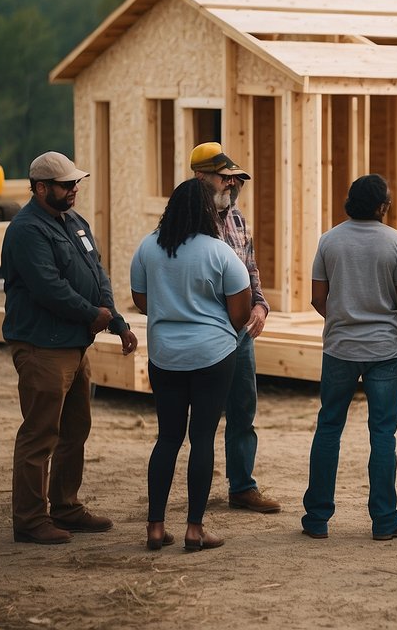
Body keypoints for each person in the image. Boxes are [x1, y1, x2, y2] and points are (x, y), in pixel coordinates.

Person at [2, 151, 138, 545]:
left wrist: (115, 319)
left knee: (75, 428)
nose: (74, 189)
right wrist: (90, 313)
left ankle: (65, 507)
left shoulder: (73, 221)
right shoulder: (27, 230)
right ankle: (29, 519)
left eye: (76, 183)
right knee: (40, 434)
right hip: (42, 345)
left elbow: (98, 273)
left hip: (75, 343)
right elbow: (48, 287)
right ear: (42, 188)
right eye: (66, 185)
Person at [131, 179, 251, 551]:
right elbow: (241, 312)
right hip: (212, 356)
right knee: (201, 438)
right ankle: (194, 530)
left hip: (165, 356)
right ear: (205, 211)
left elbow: (141, 301)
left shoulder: (148, 248)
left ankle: (154, 527)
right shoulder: (219, 253)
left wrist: (173, 312)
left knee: (167, 438)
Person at [302, 175, 397, 541]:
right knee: (383, 434)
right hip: (384, 350)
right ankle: (384, 520)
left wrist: (343, 317)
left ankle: (317, 519)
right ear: (383, 206)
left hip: (340, 347)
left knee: (328, 428)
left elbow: (318, 298)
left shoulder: (329, 240)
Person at [190, 143, 281, 514]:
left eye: (233, 178)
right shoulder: (187, 223)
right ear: (201, 177)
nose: (230, 184)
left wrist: (260, 306)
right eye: (223, 177)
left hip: (240, 333)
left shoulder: (238, 219)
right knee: (203, 414)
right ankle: (198, 491)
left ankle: (242, 486)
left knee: (243, 409)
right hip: (205, 330)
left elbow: (251, 271)